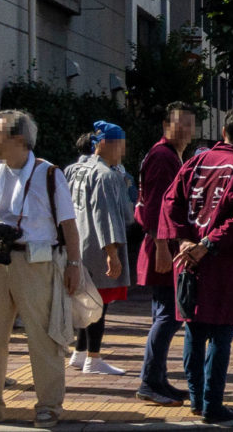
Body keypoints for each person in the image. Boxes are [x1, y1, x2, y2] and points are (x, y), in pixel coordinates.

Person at [0, 110, 83, 430]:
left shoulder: (50, 174)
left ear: (18, 139)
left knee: (44, 337)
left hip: (38, 262)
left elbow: (69, 225)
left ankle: (49, 406)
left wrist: (74, 264)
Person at [159, 106, 233, 425]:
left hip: (187, 260)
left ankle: (195, 398)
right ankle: (212, 404)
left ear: (224, 132)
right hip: (225, 264)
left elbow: (170, 204)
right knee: (220, 333)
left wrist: (186, 241)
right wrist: (208, 244)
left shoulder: (193, 163)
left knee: (193, 330)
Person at [133, 101, 195, 405]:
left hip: (164, 244)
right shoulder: (162, 156)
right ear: (165, 125)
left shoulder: (168, 155)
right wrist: (160, 246)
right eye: (178, 123)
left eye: (189, 123)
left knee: (166, 314)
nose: (184, 129)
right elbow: (157, 204)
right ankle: (149, 381)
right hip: (162, 245)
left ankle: (157, 379)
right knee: (169, 315)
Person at [66, 121, 134, 376]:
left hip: (76, 243)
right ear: (106, 144)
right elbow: (105, 215)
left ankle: (80, 352)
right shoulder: (105, 175)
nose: (122, 151)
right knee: (98, 305)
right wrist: (112, 254)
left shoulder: (74, 169)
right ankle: (93, 358)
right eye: (120, 145)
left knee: (86, 302)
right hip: (96, 246)